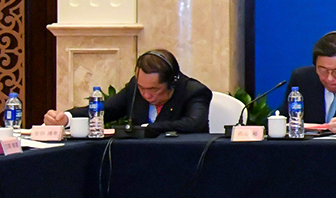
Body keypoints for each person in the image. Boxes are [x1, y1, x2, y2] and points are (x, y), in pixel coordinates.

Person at [44, 49, 212, 134]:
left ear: (172, 83)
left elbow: (194, 124)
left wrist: (146, 129)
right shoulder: (134, 87)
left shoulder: (194, 92)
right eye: (141, 88)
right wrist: (66, 118)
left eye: (154, 89)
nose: (146, 95)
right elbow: (108, 110)